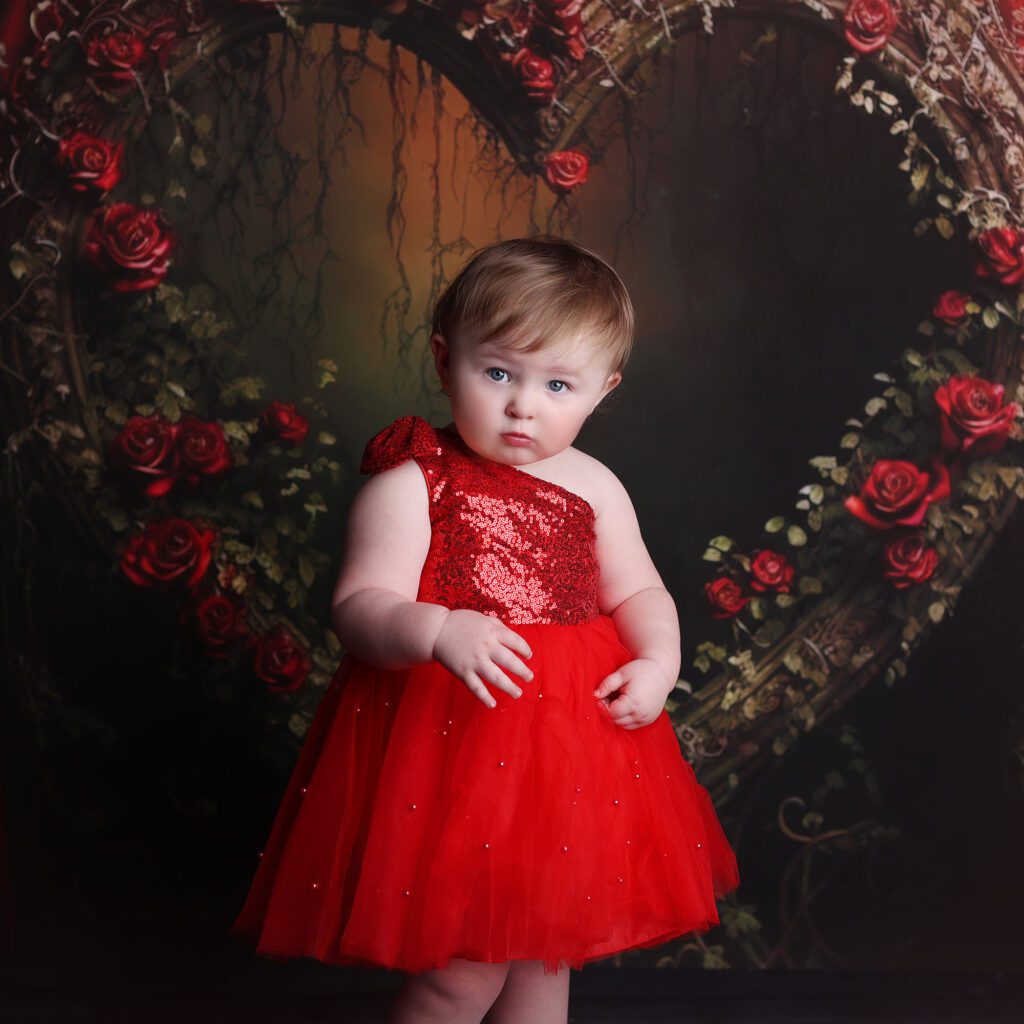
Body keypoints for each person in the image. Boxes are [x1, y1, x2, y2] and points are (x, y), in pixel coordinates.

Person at [230, 235, 740, 1024]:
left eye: (557, 384)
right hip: (449, 756)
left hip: (568, 761)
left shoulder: (595, 485)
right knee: (462, 976)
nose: (521, 406)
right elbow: (359, 607)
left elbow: (640, 587)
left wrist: (659, 657)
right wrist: (435, 629)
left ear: (603, 391)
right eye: (497, 371)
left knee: (543, 962)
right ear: (444, 359)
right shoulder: (414, 482)